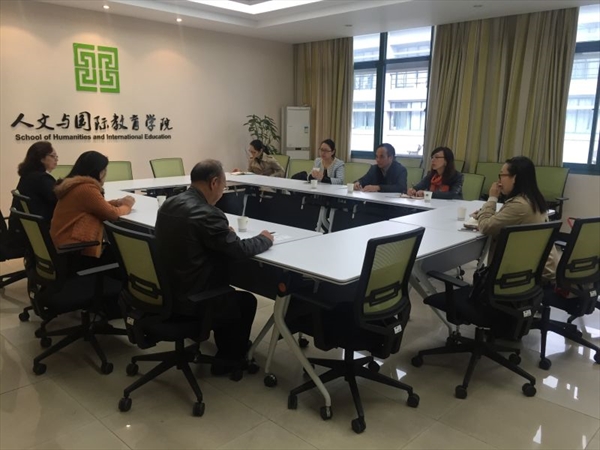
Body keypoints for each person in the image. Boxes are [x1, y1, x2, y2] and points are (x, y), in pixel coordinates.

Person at [155, 159, 274, 374]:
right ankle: (228, 361)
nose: (222, 191)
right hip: (192, 299)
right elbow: (238, 250)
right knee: (245, 301)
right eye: (224, 186)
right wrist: (264, 239)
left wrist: (223, 234)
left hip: (167, 291)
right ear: (214, 182)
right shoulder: (208, 213)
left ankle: (228, 348)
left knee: (226, 293)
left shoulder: (169, 204)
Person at [475, 156, 557, 281]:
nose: (499, 180)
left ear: (514, 178)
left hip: (527, 275)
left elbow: (486, 227)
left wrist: (492, 198)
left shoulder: (519, 205)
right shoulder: (532, 199)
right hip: (538, 268)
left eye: (502, 175)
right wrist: (485, 214)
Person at [50, 151, 135, 268]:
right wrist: (127, 206)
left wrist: (117, 202)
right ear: (99, 172)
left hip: (63, 245)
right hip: (76, 251)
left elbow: (95, 206)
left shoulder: (74, 185)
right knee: (126, 256)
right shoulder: (86, 188)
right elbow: (112, 214)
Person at [10, 141, 58, 224]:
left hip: (24, 227)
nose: (56, 159)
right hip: (42, 226)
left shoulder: (27, 175)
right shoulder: (41, 179)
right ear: (42, 158)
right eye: (53, 156)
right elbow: (58, 199)